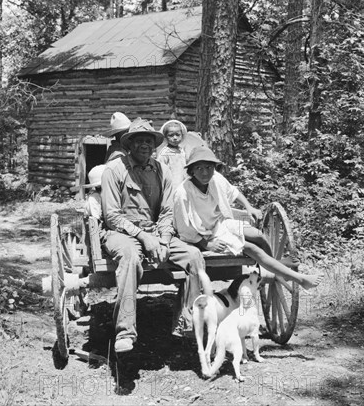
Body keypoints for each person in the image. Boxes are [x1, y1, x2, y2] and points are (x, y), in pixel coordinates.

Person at [100, 118, 214, 353]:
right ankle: (125, 332)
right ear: (129, 144)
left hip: (155, 231)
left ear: (154, 145)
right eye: (139, 141)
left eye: (148, 141)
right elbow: (111, 216)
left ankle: (185, 321)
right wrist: (143, 237)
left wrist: (162, 238)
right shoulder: (114, 169)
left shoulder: (160, 169)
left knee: (194, 257)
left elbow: (167, 210)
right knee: (130, 257)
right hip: (120, 233)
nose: (144, 145)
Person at [174, 146, 323, 290]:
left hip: (220, 224)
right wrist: (207, 245)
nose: (205, 173)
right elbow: (184, 228)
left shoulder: (216, 179)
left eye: (208, 167)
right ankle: (300, 278)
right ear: (191, 170)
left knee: (258, 235)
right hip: (201, 235)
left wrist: (249, 207)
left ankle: (274, 268)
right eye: (199, 168)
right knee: (250, 248)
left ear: (214, 167)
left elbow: (233, 192)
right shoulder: (183, 193)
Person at [157, 119, 189, 190]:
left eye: (178, 135)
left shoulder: (182, 151)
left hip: (182, 182)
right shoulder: (165, 153)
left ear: (182, 135)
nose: (175, 138)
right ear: (165, 137)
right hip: (171, 185)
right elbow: (160, 170)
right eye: (171, 135)